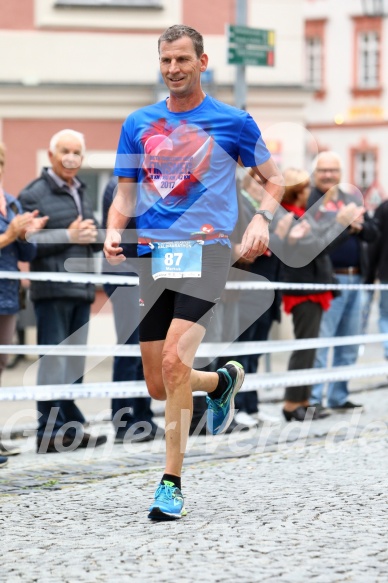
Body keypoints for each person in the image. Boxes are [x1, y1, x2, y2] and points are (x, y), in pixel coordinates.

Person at [104, 25, 283, 521]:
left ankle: (171, 483)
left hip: (206, 252)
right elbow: (124, 193)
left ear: (203, 62)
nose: (173, 69)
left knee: (174, 365)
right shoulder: (138, 122)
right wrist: (113, 229)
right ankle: (222, 382)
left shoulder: (233, 121)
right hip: (153, 257)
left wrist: (262, 218)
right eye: (166, 61)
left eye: (183, 59)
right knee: (160, 384)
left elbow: (276, 178)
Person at [18, 129, 108, 453]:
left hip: (82, 290)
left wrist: (93, 234)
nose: (71, 157)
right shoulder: (33, 194)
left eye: (77, 152)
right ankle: (48, 432)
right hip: (53, 290)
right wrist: (68, 235)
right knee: (53, 363)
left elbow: (94, 236)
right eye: (65, 151)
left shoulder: (80, 190)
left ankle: (69, 427)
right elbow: (26, 243)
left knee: (73, 365)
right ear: (52, 156)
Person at [307, 152, 379, 411]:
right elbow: (316, 242)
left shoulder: (351, 199)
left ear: (340, 174)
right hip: (327, 280)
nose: (328, 175)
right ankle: (313, 399)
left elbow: (374, 233)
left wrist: (358, 227)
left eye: (333, 171)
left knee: (348, 342)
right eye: (323, 171)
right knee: (322, 342)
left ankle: (338, 396)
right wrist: (344, 225)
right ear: (315, 174)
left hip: (356, 277)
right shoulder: (310, 201)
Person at [102, 176, 162, 443]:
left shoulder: (152, 180)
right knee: (129, 347)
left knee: (147, 347)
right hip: (125, 274)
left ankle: (143, 416)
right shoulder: (121, 186)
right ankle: (123, 421)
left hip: (150, 274)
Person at [0, 142, 48, 464]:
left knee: (0, 365)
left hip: (7, 296)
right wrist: (8, 235)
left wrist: (28, 234)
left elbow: (27, 256)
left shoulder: (11, 202)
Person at [366, 199, 388, 360]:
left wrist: (370, 275)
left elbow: (375, 243)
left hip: (386, 272)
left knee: (386, 315)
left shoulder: (384, 208)